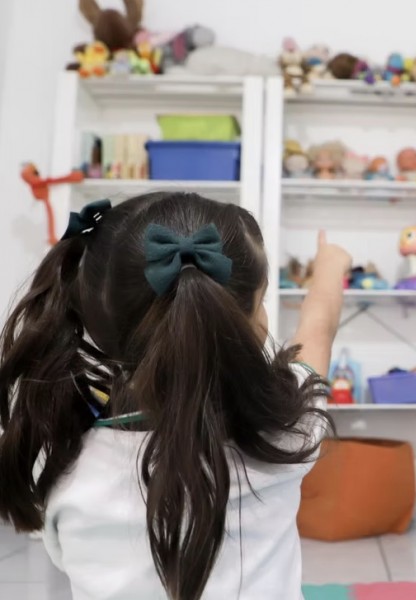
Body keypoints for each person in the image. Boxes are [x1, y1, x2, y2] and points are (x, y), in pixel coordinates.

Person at [0, 192, 351, 600]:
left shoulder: (59, 456)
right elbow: (318, 328)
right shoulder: (286, 428)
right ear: (245, 321)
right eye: (261, 301)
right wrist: (330, 266)